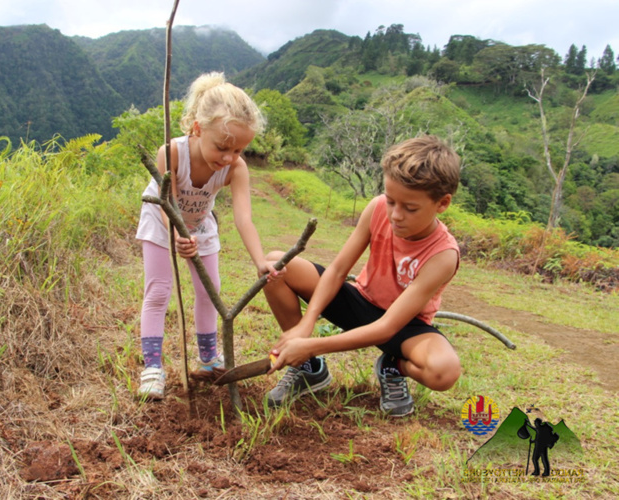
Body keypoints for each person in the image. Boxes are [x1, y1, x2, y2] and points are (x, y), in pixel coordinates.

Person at [262, 135, 462, 416]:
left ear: (442, 203)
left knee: (444, 371)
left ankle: (393, 367)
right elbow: (338, 270)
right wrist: (307, 324)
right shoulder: (377, 207)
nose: (396, 215)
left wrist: (311, 344)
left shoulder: (443, 255)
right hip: (359, 300)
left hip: (403, 326)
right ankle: (309, 369)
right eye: (392, 201)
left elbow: (387, 327)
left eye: (410, 208)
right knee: (276, 265)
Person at [135, 72, 278, 400]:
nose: (228, 158)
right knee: (158, 290)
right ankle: (153, 368)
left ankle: (209, 358)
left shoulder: (235, 169)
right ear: (198, 129)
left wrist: (260, 262)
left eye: (239, 150)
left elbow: (244, 219)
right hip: (162, 222)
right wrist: (175, 235)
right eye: (222, 147)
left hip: (201, 226)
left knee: (210, 292)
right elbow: (164, 203)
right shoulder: (171, 153)